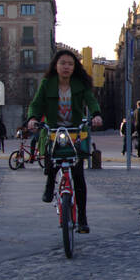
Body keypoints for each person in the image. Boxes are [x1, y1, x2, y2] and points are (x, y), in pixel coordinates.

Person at [27, 48, 103, 233]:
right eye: (63, 63)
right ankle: (49, 183)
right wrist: (32, 119)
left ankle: (83, 220)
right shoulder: (47, 84)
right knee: (52, 159)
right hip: (53, 129)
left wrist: (96, 115)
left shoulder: (80, 84)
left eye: (70, 64)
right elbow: (36, 104)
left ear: (74, 66)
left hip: (76, 131)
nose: (66, 67)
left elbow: (91, 101)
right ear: (56, 66)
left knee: (78, 176)